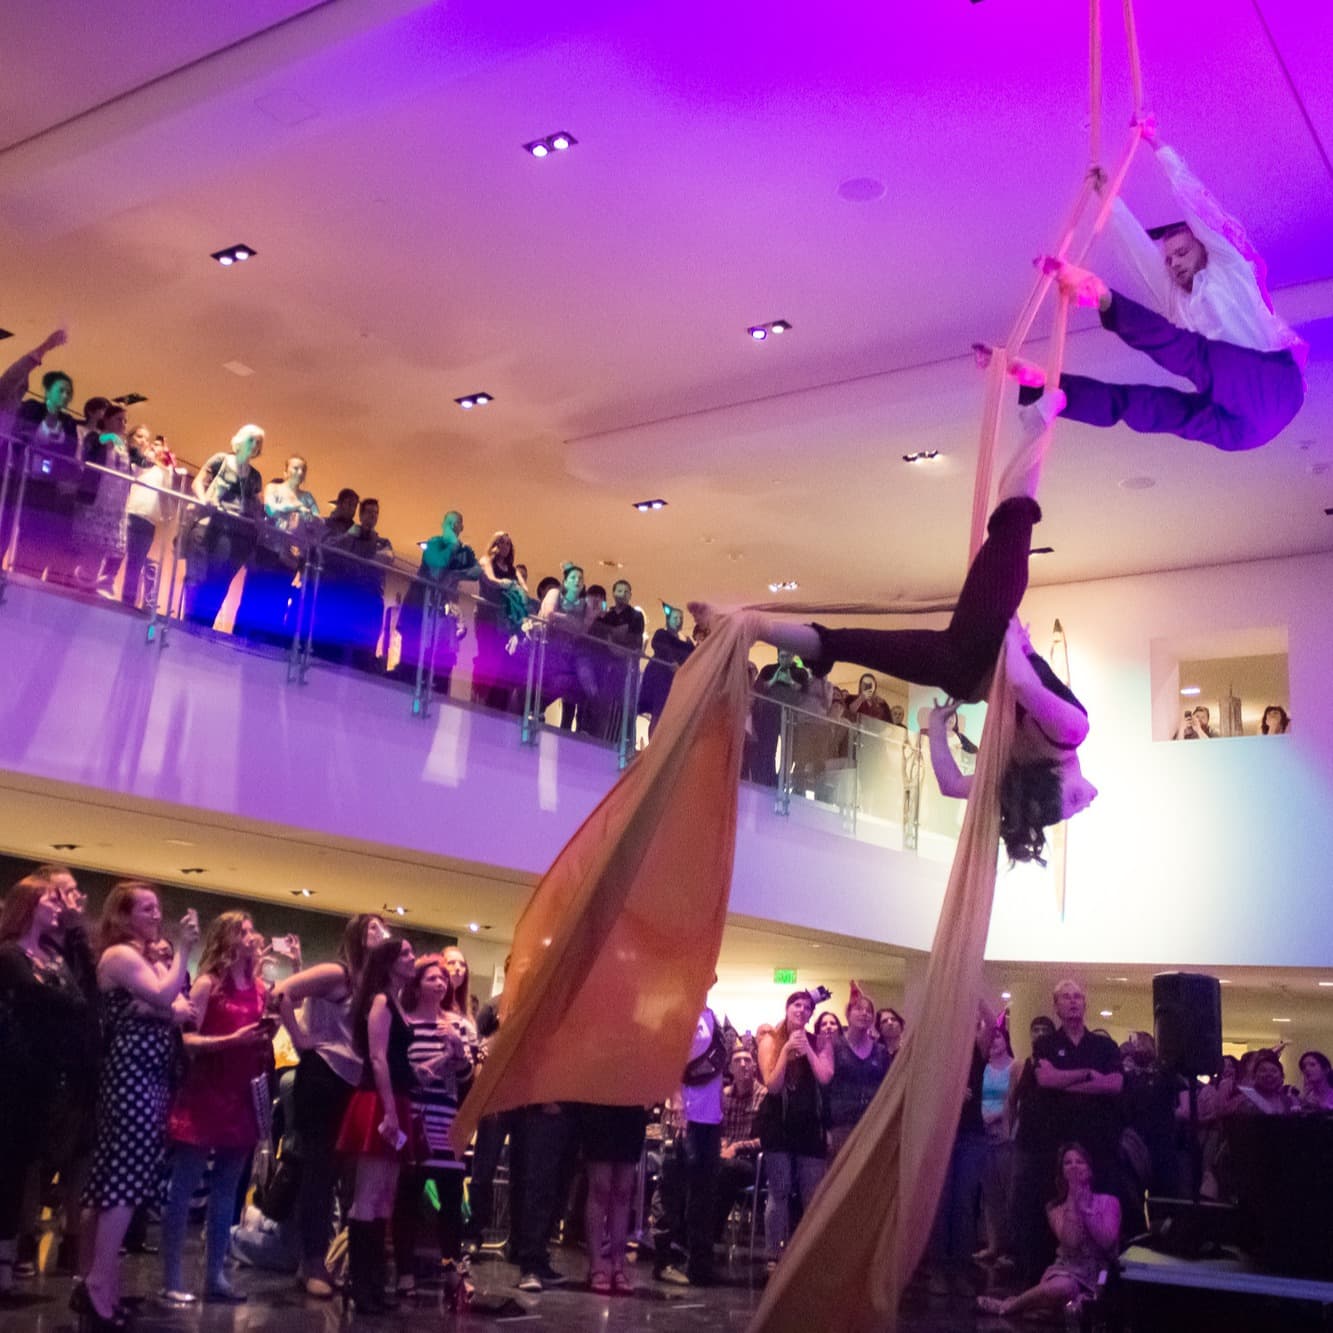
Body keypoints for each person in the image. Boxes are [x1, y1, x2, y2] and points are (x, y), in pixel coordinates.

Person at [692, 392, 1097, 866]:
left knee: (1015, 524)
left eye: (1069, 803)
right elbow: (951, 785)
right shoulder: (1009, 770)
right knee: (853, 644)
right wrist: (935, 727)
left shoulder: (1071, 730)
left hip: (986, 641)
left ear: (1053, 781)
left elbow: (1024, 682)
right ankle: (744, 626)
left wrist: (1014, 637)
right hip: (960, 673)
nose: (1085, 803)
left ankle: (1035, 427)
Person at [1011, 118, 1305, 454]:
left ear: (1204, 248)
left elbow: (1198, 204)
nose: (1174, 262)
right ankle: (1048, 393)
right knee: (1147, 408)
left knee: (1187, 352)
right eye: (1169, 259)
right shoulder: (1175, 299)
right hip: (1241, 431)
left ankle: (1104, 299)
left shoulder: (1230, 269)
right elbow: (1138, 251)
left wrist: (1158, 146)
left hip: (1274, 386)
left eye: (1181, 252)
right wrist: (1107, 196)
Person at [79, 885, 199, 1331]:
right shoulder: (121, 956)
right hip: (131, 1075)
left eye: (157, 907)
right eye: (147, 908)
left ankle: (98, 1282)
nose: (157, 914)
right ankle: (97, 1284)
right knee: (123, 1185)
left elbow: (177, 1005)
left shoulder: (140, 958)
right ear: (123, 915)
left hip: (145, 1074)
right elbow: (171, 999)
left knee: (116, 1180)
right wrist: (183, 950)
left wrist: (160, 1005)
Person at [161, 912, 274, 1305]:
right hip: (206, 1091)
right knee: (185, 1185)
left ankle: (215, 1276)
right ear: (227, 939)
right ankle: (172, 1277)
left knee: (227, 1190)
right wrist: (233, 1040)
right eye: (243, 931)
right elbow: (187, 1042)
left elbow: (258, 1040)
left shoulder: (260, 989)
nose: (251, 936)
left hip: (241, 1094)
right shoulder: (209, 984)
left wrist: (263, 1037)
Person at [272, 912, 387, 1298]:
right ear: (357, 934)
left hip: (349, 1081)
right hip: (323, 1074)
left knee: (337, 1172)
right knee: (319, 1171)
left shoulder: (368, 983)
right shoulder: (338, 973)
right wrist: (301, 1038)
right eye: (373, 927)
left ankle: (323, 1258)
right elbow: (281, 991)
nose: (381, 932)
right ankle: (312, 1262)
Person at [0, 874, 100, 1295]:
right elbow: (53, 1000)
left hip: (45, 1075)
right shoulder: (9, 954)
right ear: (29, 905)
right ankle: (6, 1261)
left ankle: (6, 1263)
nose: (58, 907)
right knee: (8, 1169)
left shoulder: (55, 955)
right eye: (49, 900)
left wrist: (76, 939)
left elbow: (86, 999)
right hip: (11, 1073)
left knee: (22, 1167)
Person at [335, 936, 418, 1314]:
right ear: (389, 962)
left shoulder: (394, 1001)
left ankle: (371, 1284)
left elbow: (396, 1062)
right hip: (379, 1101)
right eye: (405, 953)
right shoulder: (382, 1002)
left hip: (392, 1100)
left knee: (384, 1195)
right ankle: (361, 1282)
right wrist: (387, 1110)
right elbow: (378, 1058)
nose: (412, 958)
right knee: (369, 1195)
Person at [392, 957, 473, 1307]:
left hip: (447, 1120)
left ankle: (452, 1269)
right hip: (413, 1119)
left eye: (443, 978)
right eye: (431, 977)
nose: (440, 983)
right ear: (417, 983)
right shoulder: (405, 1022)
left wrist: (458, 1054)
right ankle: (405, 1271)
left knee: (451, 1201)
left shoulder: (459, 1024)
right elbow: (403, 1070)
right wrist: (433, 1065)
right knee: (407, 1197)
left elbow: (468, 1079)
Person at [977, 1143, 1120, 1321]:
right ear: (1062, 1173)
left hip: (1101, 1272)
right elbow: (1071, 1242)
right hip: (1067, 1271)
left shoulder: (1109, 1202)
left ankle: (1033, 1307)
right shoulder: (1055, 1208)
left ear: (1090, 1170)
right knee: (1066, 1287)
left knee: (1082, 1307)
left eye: (1079, 1162)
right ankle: (1010, 1306)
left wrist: (1085, 1208)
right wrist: (1074, 1200)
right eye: (1068, 1163)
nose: (1074, 1166)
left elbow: (1107, 1240)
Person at [756, 991, 834, 1266]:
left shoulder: (820, 1041)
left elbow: (825, 1077)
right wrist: (787, 1050)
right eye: (796, 1005)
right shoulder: (770, 1040)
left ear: (811, 1014)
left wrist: (809, 1049)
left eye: (807, 1007)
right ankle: (774, 1254)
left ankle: (806, 1254)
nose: (801, 1010)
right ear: (787, 1009)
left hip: (809, 1126)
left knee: (811, 1194)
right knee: (779, 1190)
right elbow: (772, 1085)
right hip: (777, 1124)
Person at [654, 999, 728, 1288]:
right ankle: (664, 1261)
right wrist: (675, 1100)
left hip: (711, 1117)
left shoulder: (712, 1015)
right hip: (686, 1114)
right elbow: (668, 1058)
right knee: (672, 1189)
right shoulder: (679, 1011)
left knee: (704, 1194)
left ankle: (700, 1264)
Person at [184, 424, 265, 629]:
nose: (254, 445)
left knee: (221, 580)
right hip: (212, 524)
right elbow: (198, 482)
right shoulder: (221, 459)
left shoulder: (255, 477)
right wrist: (204, 499)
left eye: (258, 442)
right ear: (240, 440)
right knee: (199, 575)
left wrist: (259, 519)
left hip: (237, 533)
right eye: (251, 439)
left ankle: (205, 623)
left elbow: (256, 504)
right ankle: (189, 620)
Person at [234, 455, 319, 646]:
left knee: (278, 600)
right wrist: (295, 507)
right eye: (295, 468)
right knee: (253, 595)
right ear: (286, 470)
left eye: (302, 469)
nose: (299, 472)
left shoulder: (308, 498)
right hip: (266, 550)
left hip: (288, 557)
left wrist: (308, 521)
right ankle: (239, 639)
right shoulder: (274, 488)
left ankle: (266, 643)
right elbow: (271, 509)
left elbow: (317, 522)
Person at [396, 511, 481, 696]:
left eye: (457, 523)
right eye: (450, 523)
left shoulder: (462, 552)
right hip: (419, 611)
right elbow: (436, 568)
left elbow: (476, 571)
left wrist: (456, 573)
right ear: (443, 524)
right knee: (411, 663)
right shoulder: (434, 544)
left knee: (439, 667)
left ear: (462, 527)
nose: (453, 527)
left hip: (442, 616)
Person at [10, 367, 82, 583]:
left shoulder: (69, 423)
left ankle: (31, 579)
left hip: (50, 487)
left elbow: (69, 453)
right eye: (61, 390)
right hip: (23, 479)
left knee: (42, 535)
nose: (66, 396)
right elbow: (21, 434)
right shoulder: (31, 409)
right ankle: (15, 577)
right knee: (21, 532)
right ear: (48, 390)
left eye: (69, 392)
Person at [1006, 1014, 1058, 1284]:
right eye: (1035, 1029)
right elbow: (1012, 1101)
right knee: (1021, 1202)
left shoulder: (1059, 1063)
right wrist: (1009, 1132)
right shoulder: (1020, 1066)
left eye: (1044, 1029)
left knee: (1047, 1201)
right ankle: (1022, 1261)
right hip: (1025, 1141)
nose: (1039, 1033)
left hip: (1051, 1143)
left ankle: (1045, 1264)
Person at [317, 497, 395, 669]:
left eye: (376, 513)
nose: (372, 516)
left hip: (371, 599)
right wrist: (348, 536)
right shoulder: (348, 537)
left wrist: (361, 558)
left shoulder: (382, 542)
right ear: (360, 515)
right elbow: (328, 551)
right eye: (368, 512)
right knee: (337, 646)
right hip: (347, 597)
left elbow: (387, 558)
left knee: (365, 649)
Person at [71, 403, 136, 594]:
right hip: (96, 498)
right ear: (106, 419)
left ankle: (89, 582)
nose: (123, 424)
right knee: (89, 545)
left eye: (125, 421)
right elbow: (87, 453)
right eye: (119, 419)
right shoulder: (97, 438)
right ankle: (79, 580)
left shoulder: (124, 448)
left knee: (102, 548)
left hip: (116, 503)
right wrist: (108, 437)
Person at [825, 983, 889, 1158]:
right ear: (848, 1014)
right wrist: (826, 1129)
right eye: (859, 1009)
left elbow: (886, 1088)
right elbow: (823, 1088)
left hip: (871, 1125)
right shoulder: (835, 1046)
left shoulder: (880, 1051)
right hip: (841, 1126)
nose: (864, 1013)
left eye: (869, 1011)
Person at [121, 429, 182, 609]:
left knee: (136, 562)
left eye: (158, 446)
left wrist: (167, 466)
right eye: (152, 444)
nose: (155, 448)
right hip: (128, 512)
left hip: (147, 520)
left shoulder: (161, 471)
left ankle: (128, 603)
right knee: (116, 555)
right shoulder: (137, 462)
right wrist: (145, 455)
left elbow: (167, 494)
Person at [471, 531, 530, 710]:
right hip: (488, 617)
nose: (504, 546)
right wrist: (507, 585)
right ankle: (480, 699)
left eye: (507, 543)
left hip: (505, 621)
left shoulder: (512, 570)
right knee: (488, 658)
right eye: (501, 542)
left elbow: (524, 589)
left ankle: (495, 704)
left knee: (503, 662)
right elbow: (490, 581)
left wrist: (513, 587)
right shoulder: (486, 561)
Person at [976, 1019, 1018, 1264]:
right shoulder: (980, 1068)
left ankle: (1011, 1248)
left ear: (1006, 1040)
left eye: (998, 1037)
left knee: (1008, 1192)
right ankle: (994, 1244)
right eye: (990, 1038)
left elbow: (1014, 1101)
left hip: (1004, 1136)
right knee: (989, 1195)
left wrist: (996, 1116)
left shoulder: (1015, 1067)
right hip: (983, 1136)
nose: (993, 1042)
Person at [714, 1047, 766, 1241]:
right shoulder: (724, 1095)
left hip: (752, 1162)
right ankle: (688, 1231)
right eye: (738, 1061)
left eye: (747, 1060)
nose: (743, 1064)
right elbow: (718, 1128)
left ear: (754, 1066)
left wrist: (735, 1148)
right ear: (730, 1068)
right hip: (723, 1157)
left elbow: (766, 1139)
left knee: (725, 1169)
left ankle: (711, 1233)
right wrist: (722, 1145)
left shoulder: (764, 1095)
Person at [537, 562, 596, 728]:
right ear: (565, 581)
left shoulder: (585, 604)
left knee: (568, 682)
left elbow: (583, 628)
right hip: (548, 647)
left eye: (580, 578)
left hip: (567, 651)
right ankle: (535, 708)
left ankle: (539, 709)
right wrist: (570, 620)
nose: (577, 580)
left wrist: (562, 619)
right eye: (573, 577)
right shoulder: (555, 593)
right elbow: (548, 614)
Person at [638, 605, 694, 737]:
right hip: (661, 679)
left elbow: (693, 657)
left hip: (678, 681)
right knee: (658, 713)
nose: (678, 620)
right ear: (668, 619)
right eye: (675, 617)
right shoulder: (661, 633)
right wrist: (672, 662)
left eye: (681, 618)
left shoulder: (687, 642)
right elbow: (661, 647)